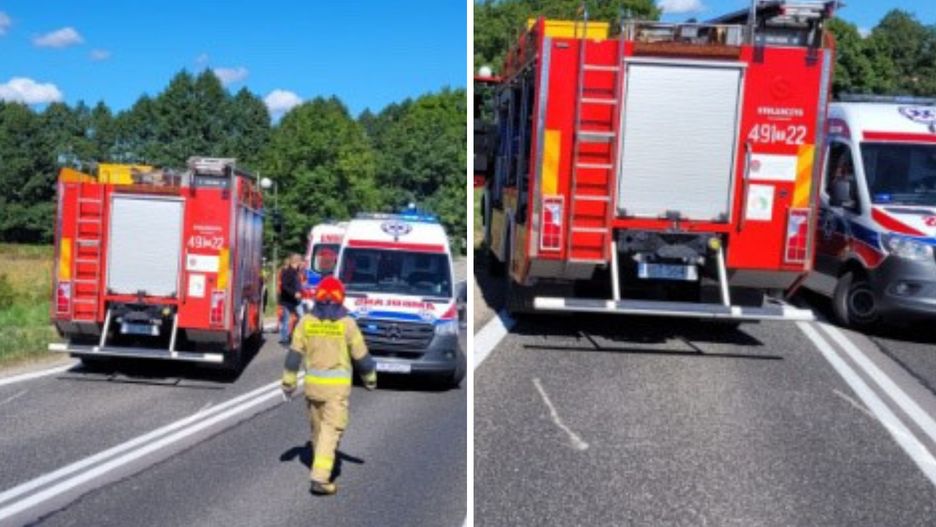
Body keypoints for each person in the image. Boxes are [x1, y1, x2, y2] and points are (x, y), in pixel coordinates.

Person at [281, 276, 377, 495]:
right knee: (330, 431)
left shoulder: (306, 322)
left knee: (318, 431)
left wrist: (288, 382)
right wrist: (370, 379)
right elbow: (362, 356)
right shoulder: (347, 324)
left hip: (313, 389)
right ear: (341, 298)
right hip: (336, 391)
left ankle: (320, 464)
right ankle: (320, 477)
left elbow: (294, 355)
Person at [278, 254, 303, 344]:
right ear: (296, 262)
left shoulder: (296, 272)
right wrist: (294, 293)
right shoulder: (287, 272)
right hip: (287, 300)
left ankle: (295, 335)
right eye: (300, 261)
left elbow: (297, 284)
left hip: (295, 301)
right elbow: (284, 286)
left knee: (302, 317)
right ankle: (284, 338)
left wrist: (300, 291)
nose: (301, 263)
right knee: (285, 319)